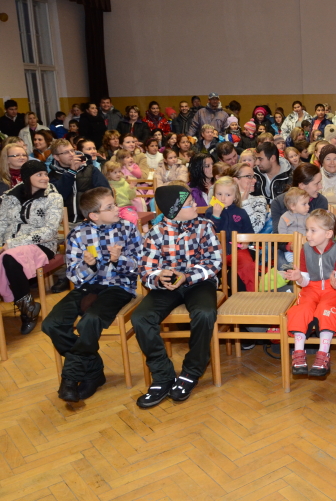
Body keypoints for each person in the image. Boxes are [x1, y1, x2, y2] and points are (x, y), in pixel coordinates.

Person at [42, 188, 142, 402]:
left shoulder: (127, 229)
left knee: (90, 321)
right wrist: (90, 266)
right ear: (94, 215)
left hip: (119, 287)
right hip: (87, 287)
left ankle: (70, 377)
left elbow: (139, 267)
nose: (117, 209)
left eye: (115, 204)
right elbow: (73, 275)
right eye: (110, 207)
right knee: (52, 324)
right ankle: (93, 370)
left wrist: (119, 260)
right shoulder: (78, 234)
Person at [132, 185, 222, 407]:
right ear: (174, 211)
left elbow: (214, 262)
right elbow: (146, 270)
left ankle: (192, 371)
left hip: (199, 282)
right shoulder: (155, 233)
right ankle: (162, 375)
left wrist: (187, 276)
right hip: (167, 286)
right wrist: (158, 277)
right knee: (141, 318)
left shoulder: (204, 226)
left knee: (205, 313)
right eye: (190, 203)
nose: (195, 205)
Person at [0, 160, 62, 332]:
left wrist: (13, 243)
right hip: (9, 245)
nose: (45, 178)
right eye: (39, 174)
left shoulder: (52, 197)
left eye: (46, 174)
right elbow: (2, 224)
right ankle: (29, 306)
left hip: (41, 244)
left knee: (10, 258)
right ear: (27, 178)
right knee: (8, 256)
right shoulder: (10, 197)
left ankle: (27, 311)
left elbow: (50, 231)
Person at [282, 209, 336, 377]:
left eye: (313, 230)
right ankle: (298, 354)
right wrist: (298, 278)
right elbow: (305, 280)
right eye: (307, 230)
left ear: (328, 234)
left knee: (326, 310)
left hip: (332, 290)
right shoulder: (305, 249)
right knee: (301, 310)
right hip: (311, 289)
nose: (308, 235)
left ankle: (323, 354)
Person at [204, 176, 255, 292]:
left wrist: (246, 242)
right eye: (219, 194)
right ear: (214, 195)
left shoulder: (241, 212)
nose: (223, 198)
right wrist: (215, 216)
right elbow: (207, 233)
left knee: (247, 265)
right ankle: (211, 291)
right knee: (206, 265)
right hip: (216, 252)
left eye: (228, 195)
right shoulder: (210, 212)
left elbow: (249, 232)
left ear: (235, 196)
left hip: (237, 250)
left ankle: (250, 294)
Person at [48, 139, 110, 226]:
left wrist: (94, 215)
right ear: (56, 157)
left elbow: (105, 192)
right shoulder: (52, 175)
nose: (71, 154)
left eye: (72, 150)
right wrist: (71, 172)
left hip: (91, 220)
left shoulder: (90, 169)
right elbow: (59, 197)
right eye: (66, 152)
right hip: (64, 223)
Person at [271, 164, 329, 237]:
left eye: (320, 182)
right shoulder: (278, 202)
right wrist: (290, 243)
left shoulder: (321, 201)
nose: (321, 187)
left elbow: (321, 233)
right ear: (302, 186)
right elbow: (278, 234)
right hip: (286, 243)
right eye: (316, 184)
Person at [227, 162, 268, 233]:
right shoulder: (224, 199)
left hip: (249, 240)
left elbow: (256, 228)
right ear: (235, 180)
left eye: (254, 176)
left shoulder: (259, 200)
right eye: (249, 176)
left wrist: (245, 202)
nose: (255, 180)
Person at [277, 186, 310, 260]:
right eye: (304, 204)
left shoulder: (310, 218)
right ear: (293, 206)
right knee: (291, 261)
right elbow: (282, 235)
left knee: (307, 260)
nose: (308, 206)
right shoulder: (284, 217)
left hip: (306, 247)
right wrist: (290, 244)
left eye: (308, 203)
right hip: (290, 249)